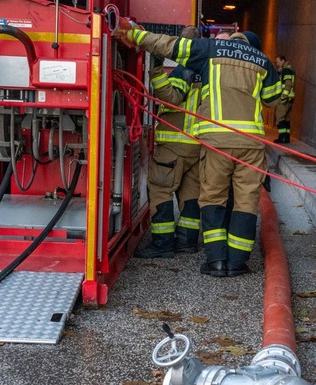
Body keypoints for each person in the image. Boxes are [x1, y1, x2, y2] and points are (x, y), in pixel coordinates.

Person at [115, 25, 281, 277]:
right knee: (246, 201)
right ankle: (236, 263)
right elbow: (272, 99)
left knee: (212, 198)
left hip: (215, 141)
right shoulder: (261, 60)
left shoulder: (210, 51)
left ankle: (215, 261)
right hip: (250, 143)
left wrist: (134, 34)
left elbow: (169, 45)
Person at [135, 26, 203, 259]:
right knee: (190, 194)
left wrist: (155, 70)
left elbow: (171, 98)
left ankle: (162, 244)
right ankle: (187, 242)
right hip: (197, 145)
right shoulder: (207, 72)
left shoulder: (185, 71)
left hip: (174, 145)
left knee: (161, 190)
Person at [273, 55, 295, 144]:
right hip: (290, 98)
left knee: (279, 118)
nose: (277, 64)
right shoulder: (288, 69)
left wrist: (283, 97)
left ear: (283, 61)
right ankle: (286, 138)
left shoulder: (286, 70)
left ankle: (281, 138)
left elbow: (288, 84)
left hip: (285, 98)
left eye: (278, 62)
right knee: (286, 119)